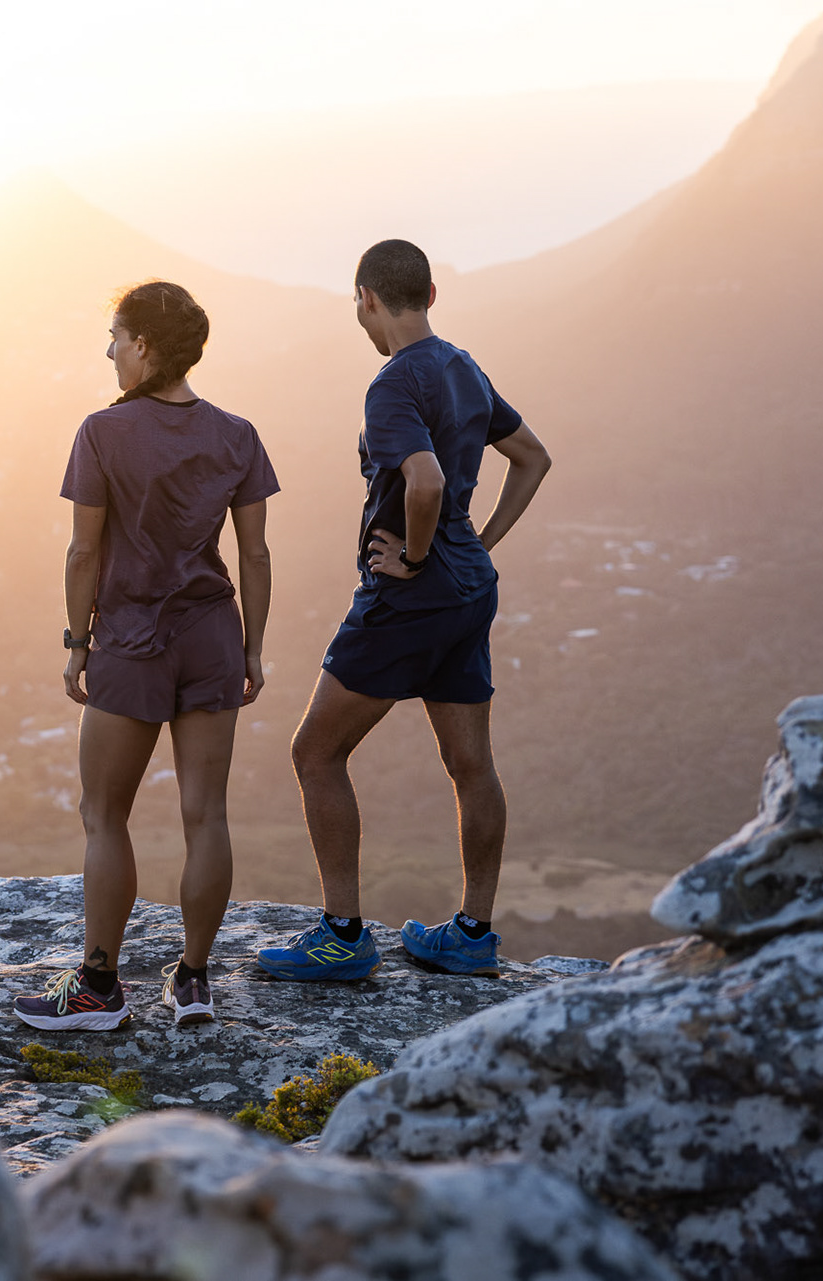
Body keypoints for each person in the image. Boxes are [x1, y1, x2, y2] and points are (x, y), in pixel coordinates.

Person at [258, 239, 551, 982]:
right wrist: (473, 543)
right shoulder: (462, 365)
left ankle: (343, 936)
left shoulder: (391, 384)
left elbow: (420, 481)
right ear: (429, 293)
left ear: (367, 299)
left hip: (410, 597)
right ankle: (473, 933)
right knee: (470, 763)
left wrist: (418, 555)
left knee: (314, 752)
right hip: (469, 589)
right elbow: (533, 457)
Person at [12, 280, 278, 1032]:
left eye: (116, 338)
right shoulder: (238, 434)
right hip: (213, 635)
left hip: (131, 639)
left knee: (104, 813)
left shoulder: (102, 432)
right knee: (206, 814)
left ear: (145, 347)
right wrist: (253, 646)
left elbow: (82, 550)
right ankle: (192, 980)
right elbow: (253, 553)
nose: (109, 351)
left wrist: (76, 643)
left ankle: (98, 988)